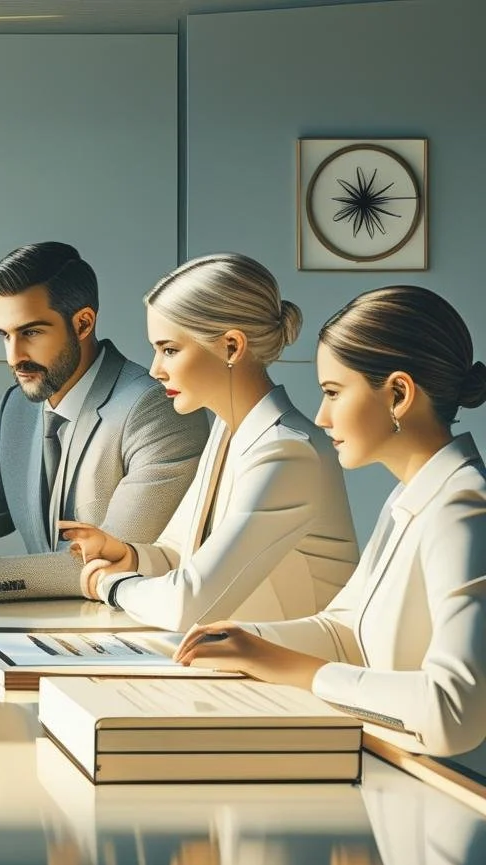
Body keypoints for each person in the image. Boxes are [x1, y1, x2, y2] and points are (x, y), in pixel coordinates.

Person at [178, 285, 486, 777]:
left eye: (333, 393)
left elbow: (454, 713)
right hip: (397, 770)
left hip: (455, 799)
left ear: (399, 394)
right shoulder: (415, 494)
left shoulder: (463, 510)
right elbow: (345, 630)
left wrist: (297, 669)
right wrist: (244, 641)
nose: (321, 416)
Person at [0, 242, 207, 600]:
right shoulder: (17, 407)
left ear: (82, 323)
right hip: (41, 626)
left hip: (129, 633)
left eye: (31, 333)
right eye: (5, 336)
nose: (15, 357)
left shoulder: (157, 409)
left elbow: (110, 558)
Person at [60, 254, 358, 630]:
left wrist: (111, 585)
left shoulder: (286, 453)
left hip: (292, 674)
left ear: (231, 347)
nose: (155, 369)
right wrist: (129, 557)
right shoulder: (228, 434)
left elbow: (190, 605)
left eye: (169, 349)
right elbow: (180, 555)